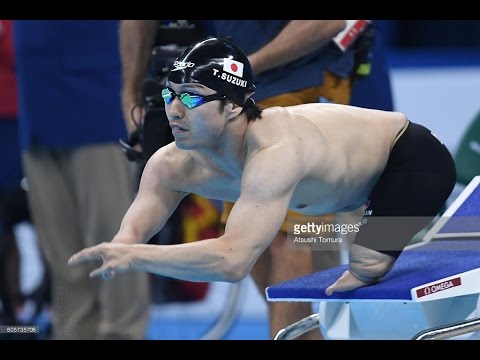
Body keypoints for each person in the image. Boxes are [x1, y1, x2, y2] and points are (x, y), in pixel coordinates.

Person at [69, 38, 456, 325]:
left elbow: (232, 260)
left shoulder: (275, 152)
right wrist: (120, 248)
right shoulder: (170, 164)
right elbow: (130, 236)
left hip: (411, 163)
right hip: (346, 192)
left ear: (234, 105)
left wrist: (137, 257)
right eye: (170, 95)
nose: (173, 110)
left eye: (191, 99)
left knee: (366, 269)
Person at [120, 20, 355, 339]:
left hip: (291, 86)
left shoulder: (278, 136)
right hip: (225, 97)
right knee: (252, 243)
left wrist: (237, 73)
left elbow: (328, 23)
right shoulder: (179, 151)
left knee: (291, 237)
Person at [13, 20, 150, 339]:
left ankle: (124, 333)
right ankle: (72, 332)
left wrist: (131, 96)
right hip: (36, 105)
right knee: (62, 256)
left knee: (116, 245)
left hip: (98, 103)